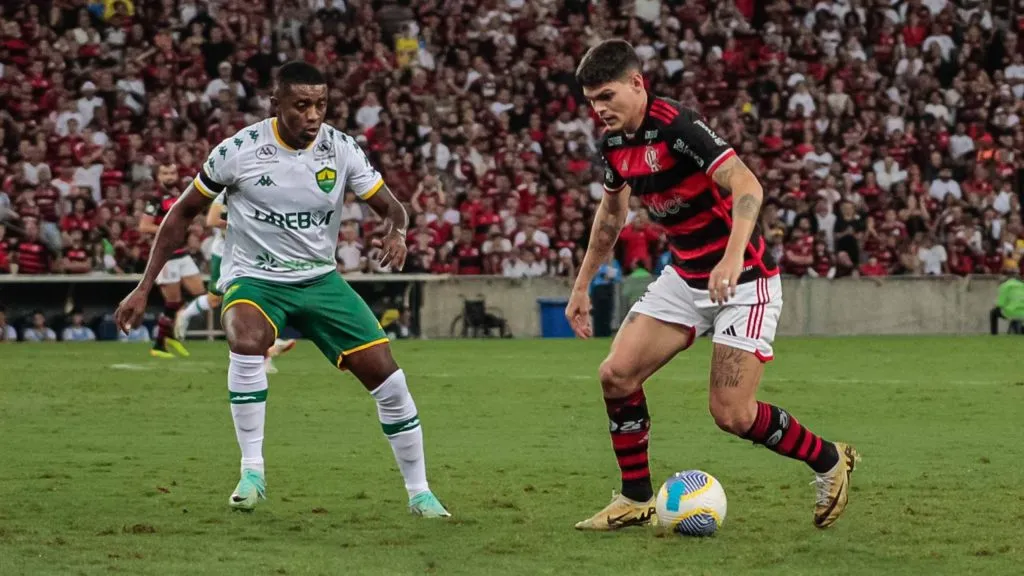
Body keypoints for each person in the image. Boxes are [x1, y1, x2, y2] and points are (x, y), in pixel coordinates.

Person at [115, 61, 450, 518]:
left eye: (321, 105)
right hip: (256, 279)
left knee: (391, 383)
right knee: (246, 338)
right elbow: (181, 214)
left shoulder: (341, 149)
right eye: (302, 105)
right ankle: (252, 472)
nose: (313, 115)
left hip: (319, 278)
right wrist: (143, 286)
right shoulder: (240, 150)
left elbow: (391, 206)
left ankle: (420, 493)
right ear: (277, 105)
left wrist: (397, 232)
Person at [566, 40, 858, 531]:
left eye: (607, 96)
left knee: (732, 413)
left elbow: (748, 186)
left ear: (637, 84)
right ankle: (637, 499)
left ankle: (830, 459)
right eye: (592, 100)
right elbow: (609, 219)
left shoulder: (678, 126)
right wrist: (580, 288)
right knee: (615, 375)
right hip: (685, 277)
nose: (599, 110)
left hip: (744, 281)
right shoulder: (615, 145)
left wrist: (732, 255)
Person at [174, 192, 296, 374]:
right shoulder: (224, 193)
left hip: (250, 253)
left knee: (255, 298)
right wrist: (246, 225)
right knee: (218, 300)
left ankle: (266, 351)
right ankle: (186, 314)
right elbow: (212, 220)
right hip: (225, 254)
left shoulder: (260, 191)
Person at [139, 163, 205, 358]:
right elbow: (144, 226)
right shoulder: (155, 198)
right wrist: (169, 229)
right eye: (165, 172)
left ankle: (169, 335)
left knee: (200, 293)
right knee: (173, 302)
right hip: (166, 257)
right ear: (158, 176)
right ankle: (160, 344)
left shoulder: (180, 194)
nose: (169, 176)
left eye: (172, 172)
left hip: (183, 253)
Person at [990, 264, 1024, 335]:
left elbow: (1000, 304)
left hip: (1011, 312)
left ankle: (994, 334)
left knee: (993, 312)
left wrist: (996, 304)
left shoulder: (1004, 286)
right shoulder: (1022, 285)